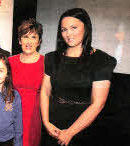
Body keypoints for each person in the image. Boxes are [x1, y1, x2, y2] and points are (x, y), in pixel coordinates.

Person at [40, 8, 116, 146]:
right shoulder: (51, 58)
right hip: (53, 125)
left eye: (73, 27)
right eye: (64, 30)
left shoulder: (101, 60)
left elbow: (98, 104)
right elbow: (45, 91)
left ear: (86, 28)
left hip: (82, 128)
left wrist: (70, 132)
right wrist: (46, 123)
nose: (68, 33)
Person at [8, 18, 44, 146]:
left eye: (33, 37)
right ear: (19, 40)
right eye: (25, 36)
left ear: (39, 41)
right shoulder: (10, 62)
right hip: (12, 114)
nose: (29, 41)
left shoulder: (46, 63)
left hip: (35, 116)